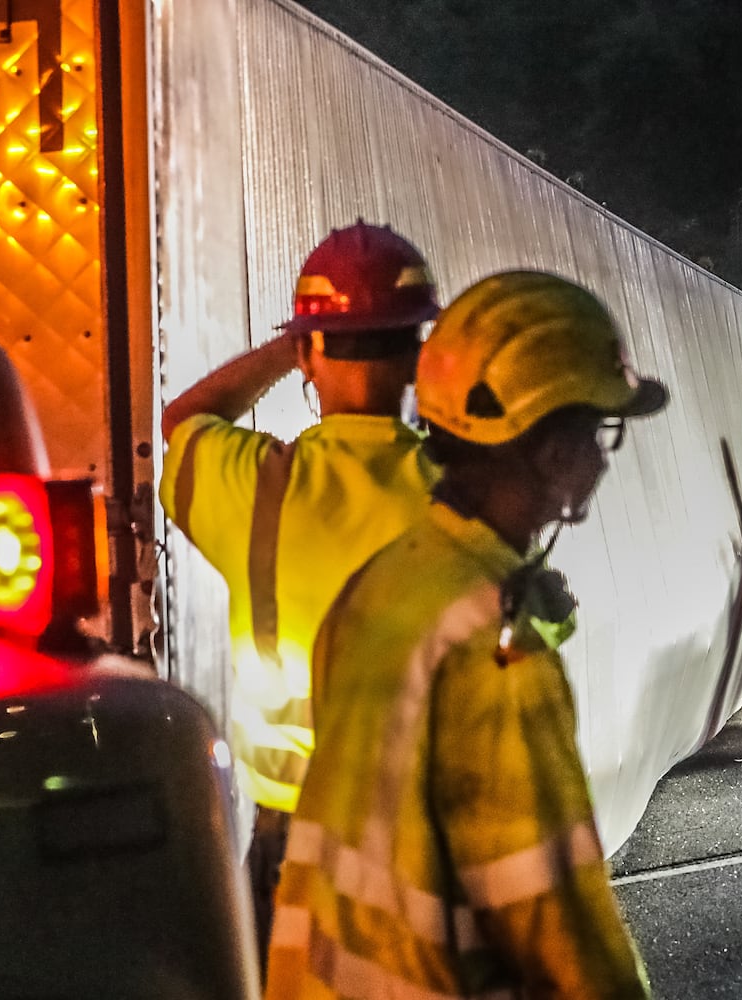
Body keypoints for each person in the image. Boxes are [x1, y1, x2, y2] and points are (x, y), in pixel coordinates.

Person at [265, 271, 662, 999]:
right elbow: (552, 918)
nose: (604, 459)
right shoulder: (497, 647)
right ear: (549, 449)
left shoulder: (382, 585)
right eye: (598, 432)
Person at [157, 221, 441, 958]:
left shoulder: (260, 488)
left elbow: (184, 419)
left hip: (300, 847)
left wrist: (294, 348)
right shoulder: (462, 494)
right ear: (414, 354)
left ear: (312, 355)